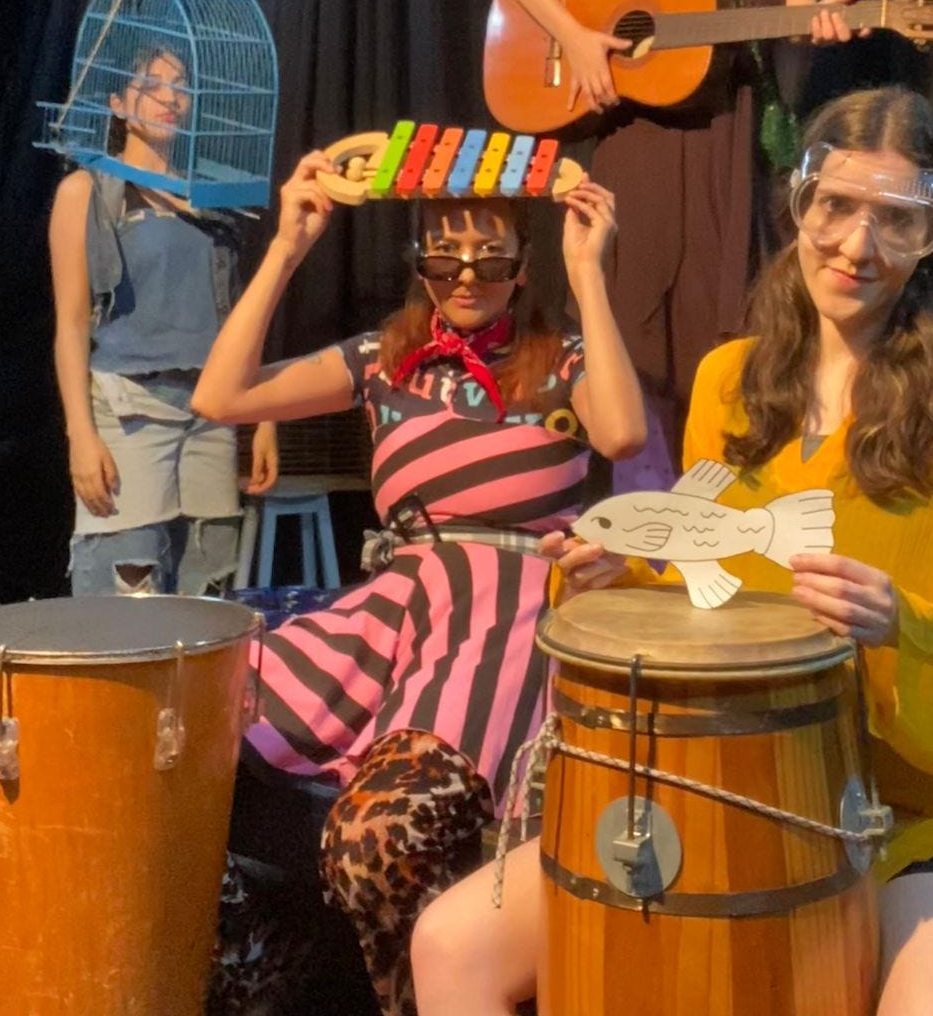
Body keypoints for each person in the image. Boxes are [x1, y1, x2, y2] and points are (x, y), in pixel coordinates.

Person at [411, 85, 933, 1016]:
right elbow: (713, 586)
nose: (858, 245)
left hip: (923, 818)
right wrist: (628, 574)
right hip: (725, 787)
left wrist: (909, 628)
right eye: (838, 207)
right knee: (452, 945)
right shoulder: (730, 382)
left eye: (899, 220)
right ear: (799, 204)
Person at [190, 151, 645, 1016]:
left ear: (522, 264)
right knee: (178, 742)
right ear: (418, 264)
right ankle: (287, 961)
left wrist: (588, 274)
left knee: (374, 836)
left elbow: (622, 435)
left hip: (500, 616)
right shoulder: (384, 360)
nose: (467, 276)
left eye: (491, 258)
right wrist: (288, 247)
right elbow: (220, 395)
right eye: (444, 257)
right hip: (393, 607)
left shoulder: (564, 358)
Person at [485, 0, 856, 480]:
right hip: (640, 152)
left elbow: (805, 14)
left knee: (736, 340)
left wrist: (830, 25)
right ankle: (646, 536)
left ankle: (727, 528)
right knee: (631, 338)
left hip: (732, 148)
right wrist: (576, 33)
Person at [49, 46, 278, 596]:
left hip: (211, 413)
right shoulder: (87, 192)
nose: (171, 97)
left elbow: (239, 317)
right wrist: (80, 433)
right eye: (153, 83)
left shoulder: (211, 197)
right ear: (119, 104)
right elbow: (72, 324)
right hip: (129, 408)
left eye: (180, 85)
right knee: (125, 588)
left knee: (208, 587)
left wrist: (266, 415)